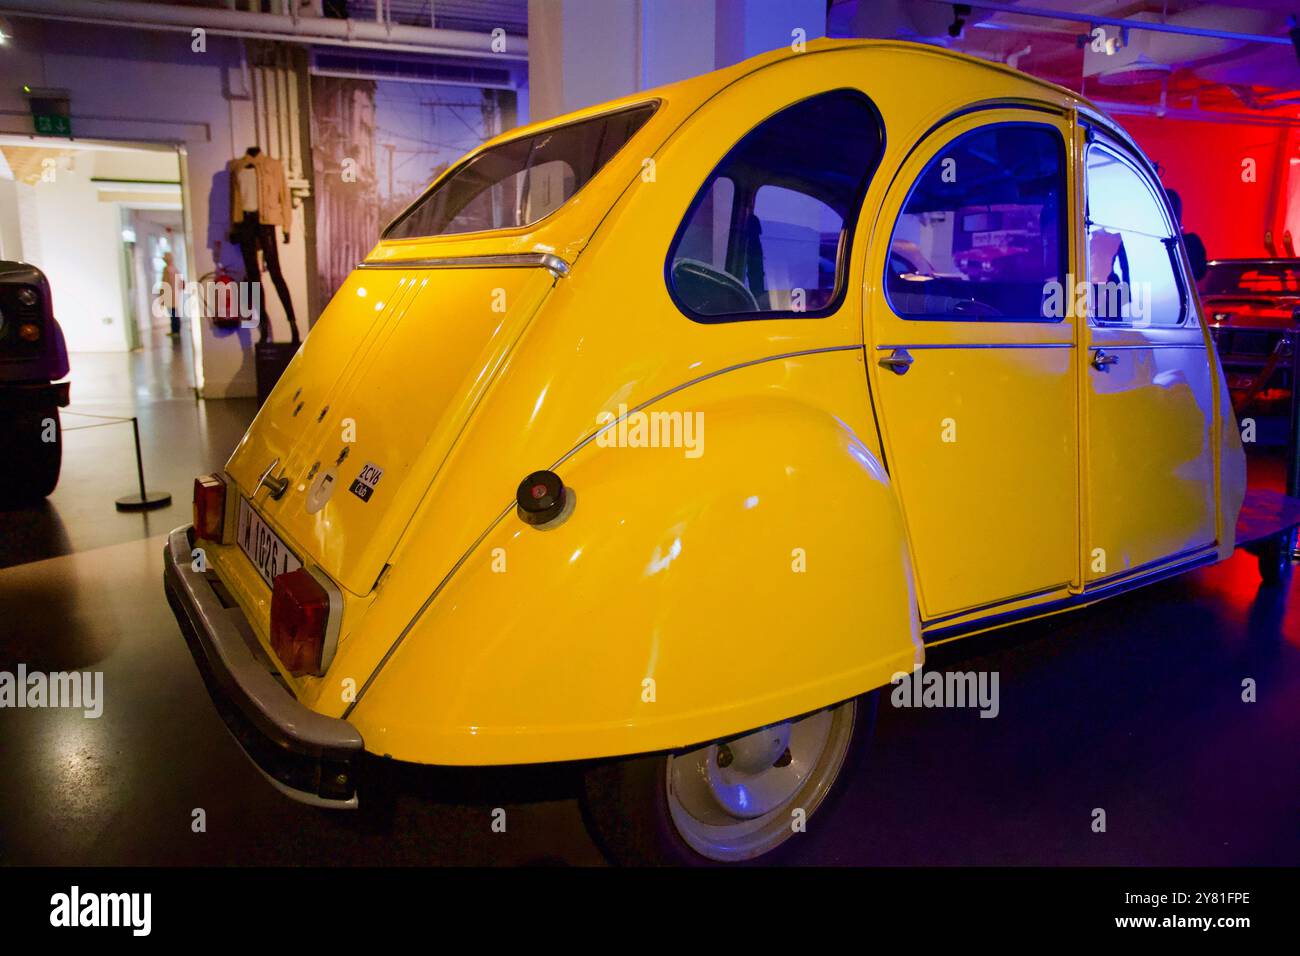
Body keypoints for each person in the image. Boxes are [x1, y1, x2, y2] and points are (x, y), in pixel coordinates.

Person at [160, 252, 183, 337]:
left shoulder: (167, 269)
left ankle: (175, 330)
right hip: (176, 293)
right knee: (175, 312)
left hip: (170, 293)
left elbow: (165, 283)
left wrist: (162, 294)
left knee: (172, 313)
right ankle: (176, 330)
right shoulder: (175, 269)